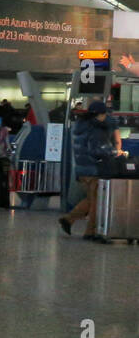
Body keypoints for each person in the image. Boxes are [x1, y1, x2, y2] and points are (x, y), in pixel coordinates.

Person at [59, 101, 123, 243]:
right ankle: (91, 232)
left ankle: (68, 219)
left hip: (82, 169)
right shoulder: (96, 128)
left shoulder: (81, 125)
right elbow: (97, 149)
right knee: (96, 201)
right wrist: (115, 151)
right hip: (94, 169)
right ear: (101, 114)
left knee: (91, 199)